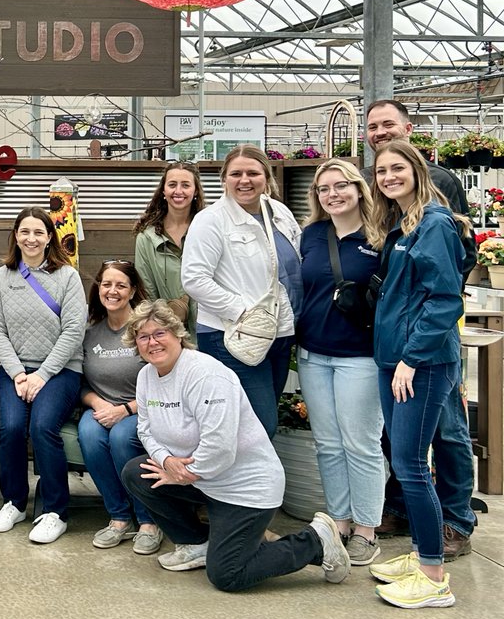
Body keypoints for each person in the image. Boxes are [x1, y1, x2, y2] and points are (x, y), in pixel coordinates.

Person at [119, 300, 351, 592]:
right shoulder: (146, 376)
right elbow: (146, 429)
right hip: (203, 479)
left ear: (178, 333)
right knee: (136, 472)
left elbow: (220, 446)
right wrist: (167, 462)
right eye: (143, 336)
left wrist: (186, 473)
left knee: (227, 574)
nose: (152, 342)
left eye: (159, 333)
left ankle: (316, 542)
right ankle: (196, 543)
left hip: (245, 486)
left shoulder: (206, 375)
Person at [361, 99, 475, 559]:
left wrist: (413, 353)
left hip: (424, 354)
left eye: (387, 125)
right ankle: (420, 531)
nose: (388, 176)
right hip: (400, 353)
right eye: (372, 128)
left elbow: (446, 288)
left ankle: (453, 526)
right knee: (405, 451)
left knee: (444, 436)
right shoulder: (394, 214)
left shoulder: (434, 214)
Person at [296, 160, 385, 566]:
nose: (332, 194)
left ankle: (367, 529)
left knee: (361, 443)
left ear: (358, 188)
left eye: (341, 186)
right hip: (314, 354)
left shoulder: (380, 235)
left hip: (360, 357)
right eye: (323, 189)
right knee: (328, 444)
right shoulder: (312, 235)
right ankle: (339, 519)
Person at [181, 146, 302, 437]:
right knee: (259, 427)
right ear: (224, 179)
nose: (244, 180)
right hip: (231, 335)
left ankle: (256, 482)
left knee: (262, 420)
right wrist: (244, 313)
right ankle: (244, 483)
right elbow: (194, 279)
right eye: (236, 173)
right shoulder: (211, 220)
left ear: (266, 177)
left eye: (253, 173)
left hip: (279, 334)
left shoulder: (279, 213)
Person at [0, 207, 87, 544]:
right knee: (11, 428)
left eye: (38, 232)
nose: (31, 238)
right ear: (16, 236)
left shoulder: (67, 276)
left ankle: (55, 511)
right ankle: (14, 502)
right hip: (16, 371)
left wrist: (42, 375)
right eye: (24, 232)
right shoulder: (2, 277)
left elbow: (74, 330)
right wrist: (17, 373)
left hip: (60, 371)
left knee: (42, 427)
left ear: (49, 237)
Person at [77, 260, 162, 556]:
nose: (112, 291)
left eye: (121, 285)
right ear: (98, 288)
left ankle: (149, 520)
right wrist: (98, 403)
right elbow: (82, 385)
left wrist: (125, 410)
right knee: (88, 432)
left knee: (121, 436)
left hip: (141, 408)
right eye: (106, 284)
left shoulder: (144, 331)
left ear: (133, 290)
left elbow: (164, 382)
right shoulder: (90, 333)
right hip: (101, 407)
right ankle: (119, 517)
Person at [133, 161, 206, 338]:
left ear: (195, 191)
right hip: (167, 333)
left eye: (186, 185)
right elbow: (147, 292)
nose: (178, 191)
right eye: (172, 185)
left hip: (209, 331)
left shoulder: (209, 230)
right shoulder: (147, 238)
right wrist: (165, 322)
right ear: (163, 191)